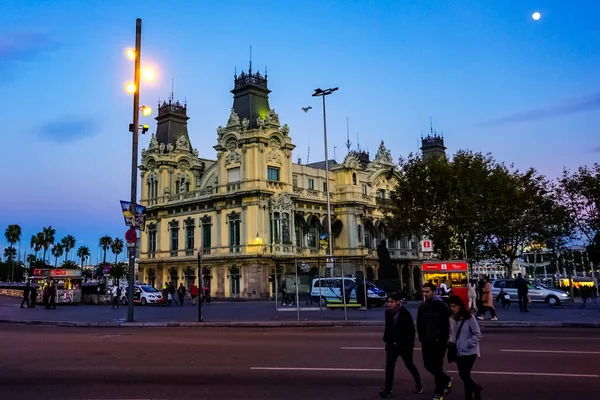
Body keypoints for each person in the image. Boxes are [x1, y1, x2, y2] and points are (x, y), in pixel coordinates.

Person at [379, 292, 423, 398]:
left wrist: (409, 344)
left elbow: (411, 331)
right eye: (388, 302)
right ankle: (388, 390)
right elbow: (388, 326)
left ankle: (419, 384)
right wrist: (386, 339)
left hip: (404, 345)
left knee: (409, 365)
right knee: (389, 367)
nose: (389, 304)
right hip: (391, 344)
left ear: (398, 302)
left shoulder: (405, 313)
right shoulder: (388, 312)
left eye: (392, 302)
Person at [417, 283, 452, 400]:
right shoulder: (422, 306)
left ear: (434, 292)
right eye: (424, 292)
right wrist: (422, 338)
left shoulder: (442, 306)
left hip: (439, 341)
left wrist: (442, 339)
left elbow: (446, 325)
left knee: (437, 366)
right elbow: (419, 324)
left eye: (427, 292)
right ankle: (446, 379)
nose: (425, 294)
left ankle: (439, 391)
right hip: (426, 341)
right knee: (428, 365)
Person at [448, 295, 483, 400]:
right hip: (458, 351)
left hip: (469, 351)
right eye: (450, 306)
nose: (452, 309)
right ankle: (474, 391)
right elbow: (451, 334)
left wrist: (468, 343)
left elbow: (477, 333)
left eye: (454, 306)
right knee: (463, 375)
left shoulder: (469, 317)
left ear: (460, 306)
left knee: (465, 375)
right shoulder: (450, 318)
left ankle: (471, 393)